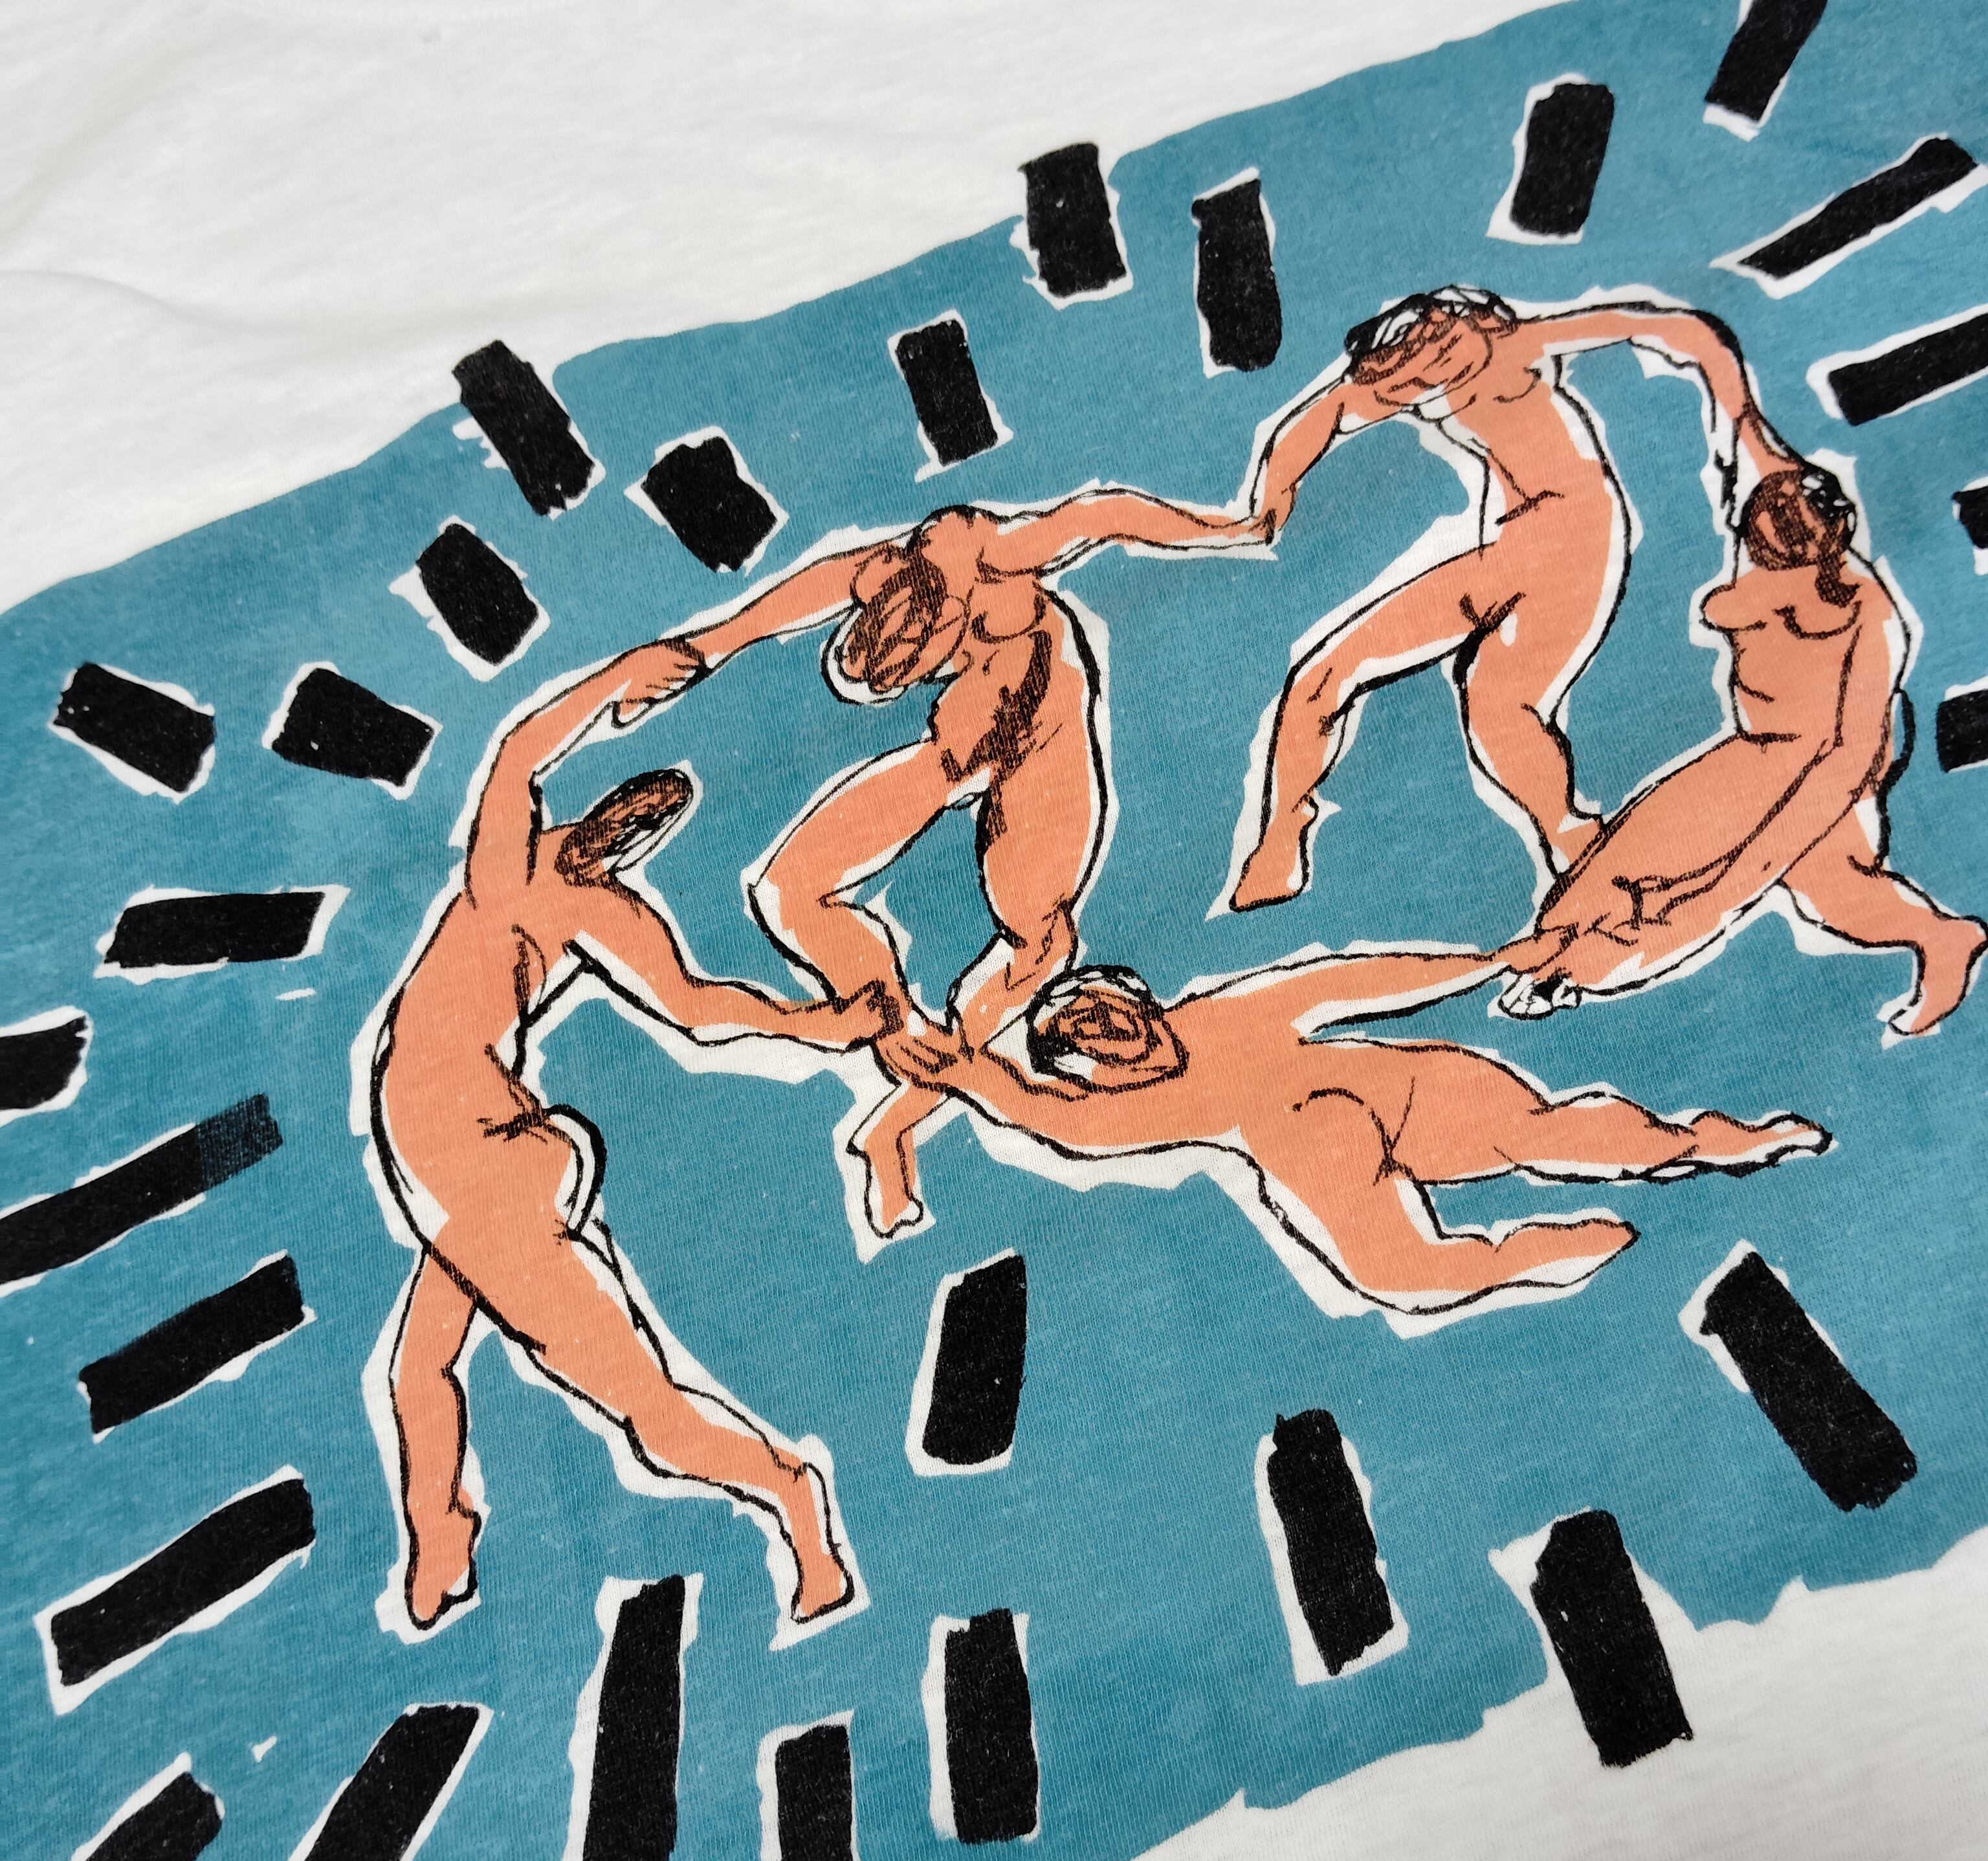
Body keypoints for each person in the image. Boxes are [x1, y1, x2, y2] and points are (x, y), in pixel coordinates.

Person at [370, 646, 885, 1631]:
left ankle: (795, 1502)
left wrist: (825, 1026)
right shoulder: (508, 867)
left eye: (644, 831)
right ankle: (443, 1533)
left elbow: (697, 1006)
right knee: (417, 1368)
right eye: (626, 813)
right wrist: (619, 680)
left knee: (649, 1414)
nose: (624, 834)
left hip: (486, 1169)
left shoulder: (587, 907)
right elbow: (520, 751)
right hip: (470, 1165)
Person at [613, 490, 1259, 1236]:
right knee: (787, 889)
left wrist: (1227, 528)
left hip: (1041, 737)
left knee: (1040, 944)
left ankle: (895, 1123)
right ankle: (891, 1020)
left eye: (924, 665)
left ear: (949, 622)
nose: (924, 677)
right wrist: (704, 648)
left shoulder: (994, 555)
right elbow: (802, 594)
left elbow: (1100, 516)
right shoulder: (882, 571)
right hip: (957, 747)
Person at [880, 948, 1827, 1320]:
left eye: (1113, 1017)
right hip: (1319, 1139)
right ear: (1090, 1064)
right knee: (1406, 1273)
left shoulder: (1224, 1012)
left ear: (1141, 1000)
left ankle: (1709, 1143)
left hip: (1395, 1089)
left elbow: (1353, 982)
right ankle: (1549, 1247)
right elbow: (1044, 1113)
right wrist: (965, 1073)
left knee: (1557, 1136)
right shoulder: (1130, 1105)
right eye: (1093, 1041)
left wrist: (1489, 962)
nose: (1117, 1037)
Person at [1226, 284, 1782, 909]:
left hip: (1572, 538)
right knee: (1340, 679)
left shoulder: (1515, 346)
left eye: (1443, 332)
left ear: (1471, 318)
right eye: (1418, 357)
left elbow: (1681, 330)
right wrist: (1264, 506)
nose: (1438, 354)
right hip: (1519, 546)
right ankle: (1282, 842)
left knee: (1488, 705)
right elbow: (1328, 411)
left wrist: (1754, 442)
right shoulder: (1422, 378)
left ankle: (1574, 844)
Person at [1499, 465, 1987, 1034]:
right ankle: (1558, 952)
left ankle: (1573, 972)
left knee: (1793, 887)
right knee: (1646, 852)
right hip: (1760, 748)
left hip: (1830, 767)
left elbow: (1853, 746)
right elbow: (1752, 452)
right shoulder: (1760, 563)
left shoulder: (1868, 612)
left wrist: (1784, 832)